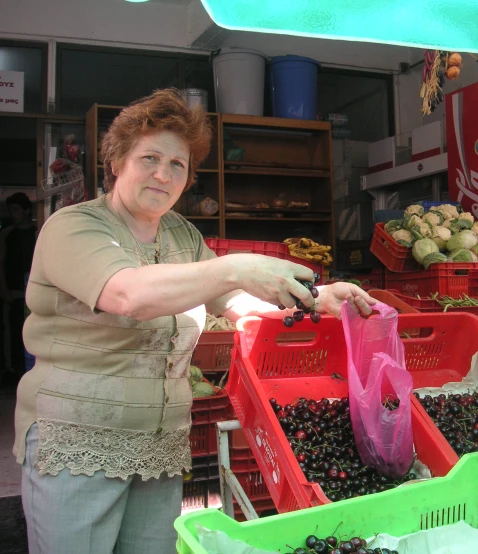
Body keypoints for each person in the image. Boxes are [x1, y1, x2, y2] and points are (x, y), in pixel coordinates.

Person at [14, 89, 375, 554]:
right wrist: (233, 265)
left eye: (178, 165)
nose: (163, 174)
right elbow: (127, 294)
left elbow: (237, 301)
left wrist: (318, 298)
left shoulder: (183, 236)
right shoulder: (74, 227)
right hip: (79, 441)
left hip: (160, 444)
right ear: (118, 160)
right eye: (149, 158)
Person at [0, 192, 37, 384]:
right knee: (15, 331)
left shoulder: (38, 232)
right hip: (14, 290)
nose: (13, 213)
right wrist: (4, 289)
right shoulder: (7, 234)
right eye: (11, 210)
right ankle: (14, 369)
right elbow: (2, 262)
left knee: (36, 330)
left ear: (27, 210)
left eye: (16, 209)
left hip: (35, 290)